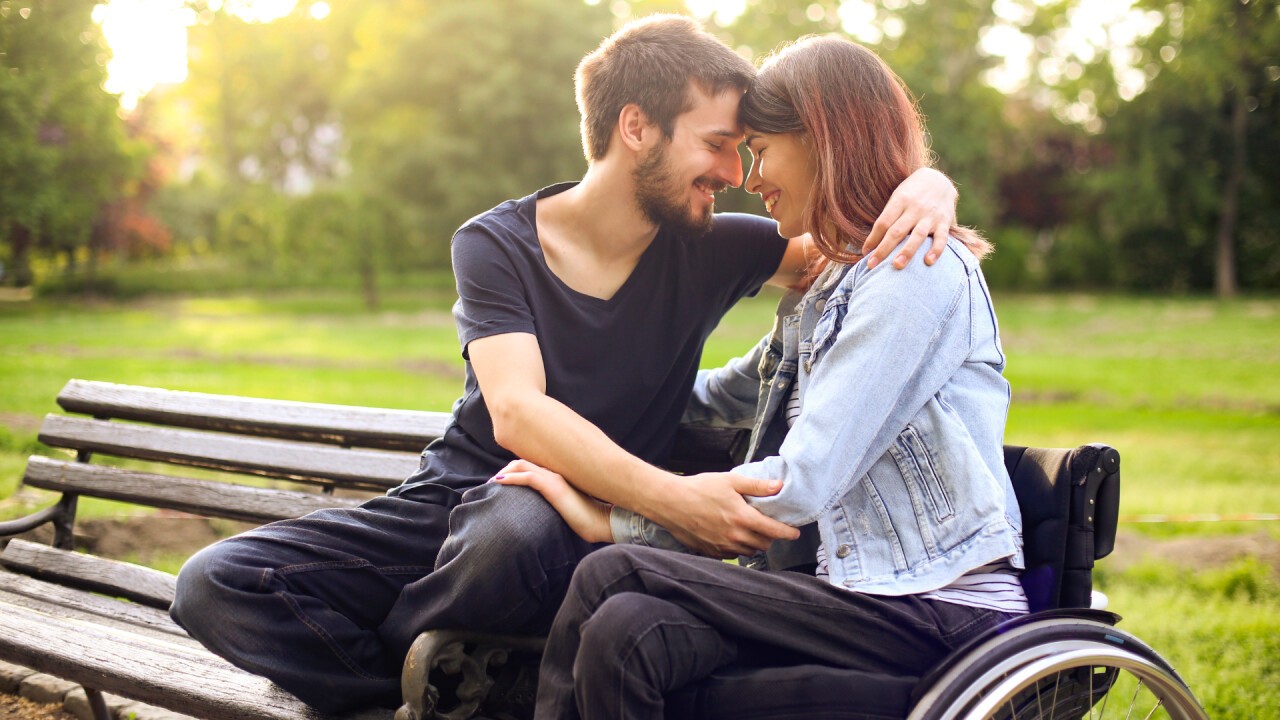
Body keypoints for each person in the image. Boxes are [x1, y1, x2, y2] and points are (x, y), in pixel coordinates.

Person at [169, 17, 960, 714]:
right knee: (213, 584)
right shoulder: (495, 243)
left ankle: (446, 672)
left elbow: (856, 233)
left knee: (514, 539)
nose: (735, 175)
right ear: (636, 127)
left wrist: (929, 183)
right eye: (718, 145)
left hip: (562, 530)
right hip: (460, 497)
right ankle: (427, 687)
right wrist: (673, 500)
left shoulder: (712, 243)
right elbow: (517, 414)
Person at [494, 35, 1028, 720]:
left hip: (929, 608)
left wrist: (615, 520)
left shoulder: (915, 271)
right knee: (627, 633)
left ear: (824, 142)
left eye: (763, 149)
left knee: (614, 571)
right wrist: (549, 401)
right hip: (841, 595)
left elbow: (799, 480)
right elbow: (715, 398)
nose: (749, 176)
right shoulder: (834, 284)